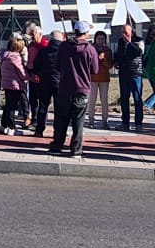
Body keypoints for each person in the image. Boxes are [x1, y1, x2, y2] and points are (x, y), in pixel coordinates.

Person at [45, 23, 99, 157]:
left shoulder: (64, 47)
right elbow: (95, 70)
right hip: (82, 88)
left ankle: (57, 145)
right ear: (86, 33)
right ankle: (76, 149)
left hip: (64, 87)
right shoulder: (90, 49)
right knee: (78, 121)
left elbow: (57, 66)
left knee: (61, 119)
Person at [28, 29, 61, 137]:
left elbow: (36, 65)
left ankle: (39, 129)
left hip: (45, 81)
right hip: (59, 82)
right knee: (59, 108)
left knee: (43, 106)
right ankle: (58, 131)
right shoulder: (63, 51)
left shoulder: (44, 50)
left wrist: (40, 74)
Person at [112, 25, 145, 131]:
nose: (124, 35)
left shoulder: (139, 41)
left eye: (126, 32)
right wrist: (116, 61)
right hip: (124, 73)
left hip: (135, 73)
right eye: (122, 32)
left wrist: (130, 43)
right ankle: (125, 122)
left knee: (137, 98)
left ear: (132, 32)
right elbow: (117, 53)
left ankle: (138, 123)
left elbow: (139, 53)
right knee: (124, 98)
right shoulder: (120, 41)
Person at [0, 34, 28, 135]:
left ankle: (3, 125)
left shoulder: (4, 55)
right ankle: (12, 127)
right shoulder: (16, 57)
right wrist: (29, 76)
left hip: (6, 83)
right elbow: (22, 72)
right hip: (16, 84)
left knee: (8, 105)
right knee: (12, 106)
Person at [89, 32, 113, 128]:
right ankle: (91, 120)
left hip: (104, 78)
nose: (100, 41)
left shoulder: (108, 50)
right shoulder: (91, 49)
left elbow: (110, 65)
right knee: (92, 100)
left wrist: (103, 59)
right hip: (93, 78)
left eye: (102, 39)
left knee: (104, 100)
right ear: (95, 39)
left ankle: (105, 120)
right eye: (98, 39)